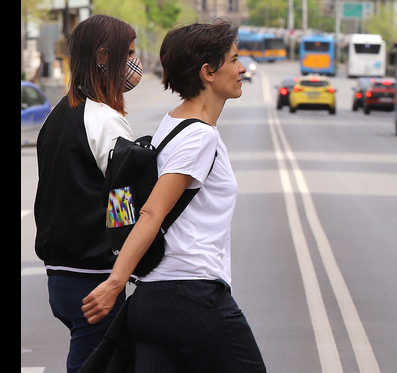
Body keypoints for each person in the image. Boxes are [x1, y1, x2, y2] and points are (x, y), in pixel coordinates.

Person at [81, 19, 267, 372]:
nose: (242, 68)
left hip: (151, 300)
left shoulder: (172, 125)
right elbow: (152, 213)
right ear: (208, 72)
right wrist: (114, 283)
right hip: (192, 296)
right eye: (234, 59)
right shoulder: (199, 137)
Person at [34, 14, 142, 373]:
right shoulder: (105, 121)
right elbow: (121, 202)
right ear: (102, 57)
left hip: (60, 276)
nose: (135, 62)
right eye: (129, 53)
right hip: (93, 277)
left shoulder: (58, 116)